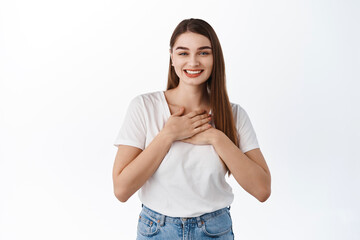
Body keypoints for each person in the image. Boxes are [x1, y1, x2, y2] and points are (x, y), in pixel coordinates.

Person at [112, 18, 271, 240]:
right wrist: (168, 135)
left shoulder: (234, 114)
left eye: (204, 53)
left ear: (215, 58)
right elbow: (121, 190)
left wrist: (217, 138)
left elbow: (262, 190)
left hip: (214, 230)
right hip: (157, 230)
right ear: (172, 58)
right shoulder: (144, 107)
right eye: (183, 53)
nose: (193, 62)